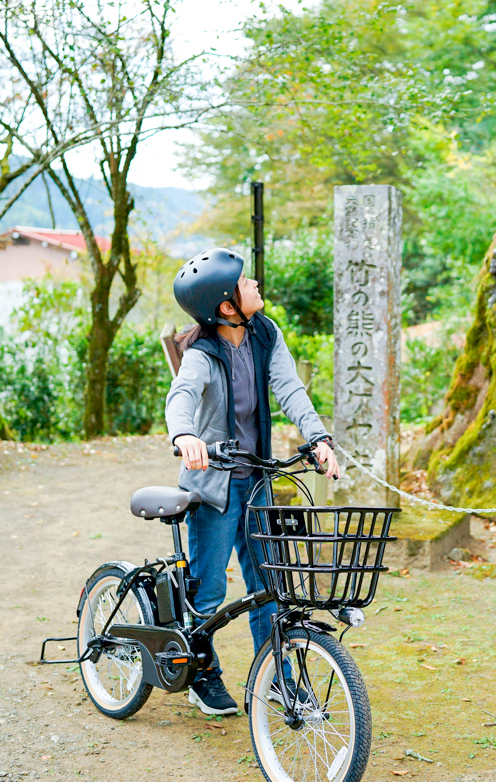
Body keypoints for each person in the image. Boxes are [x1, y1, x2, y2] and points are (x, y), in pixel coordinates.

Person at [165, 246, 340, 717]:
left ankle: (278, 680)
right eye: (245, 283)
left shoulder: (264, 332)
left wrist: (318, 438)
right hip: (214, 486)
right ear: (227, 306)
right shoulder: (202, 353)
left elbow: (289, 387)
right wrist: (184, 435)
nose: (255, 285)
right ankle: (201, 672)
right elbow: (181, 395)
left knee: (269, 585)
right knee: (207, 592)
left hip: (258, 480)